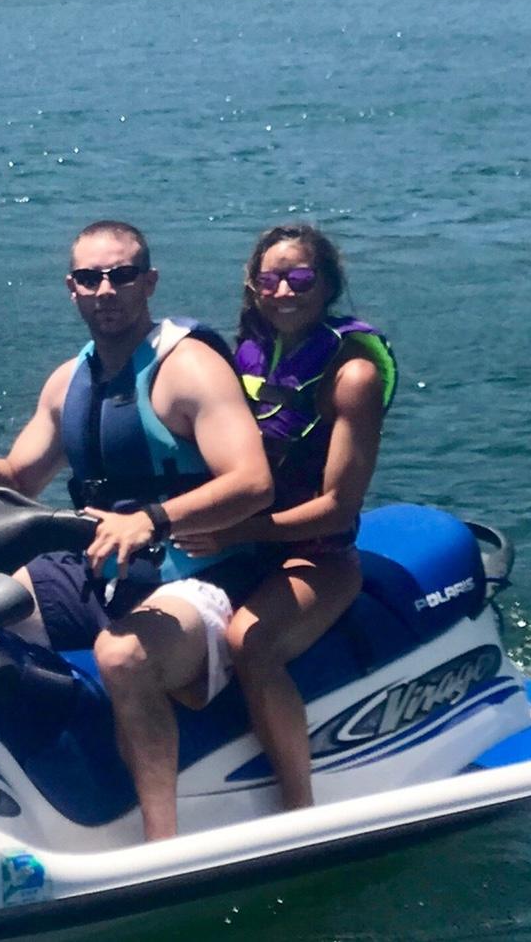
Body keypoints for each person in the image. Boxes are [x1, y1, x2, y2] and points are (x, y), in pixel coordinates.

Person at [0, 220, 272, 842]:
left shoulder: (189, 368)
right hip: (104, 567)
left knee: (122, 656)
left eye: (121, 275)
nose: (106, 290)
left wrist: (152, 519)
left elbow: (253, 481)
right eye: (90, 278)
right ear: (71, 288)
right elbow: (20, 476)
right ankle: (29, 791)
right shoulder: (69, 382)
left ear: (148, 282)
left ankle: (162, 845)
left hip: (201, 570)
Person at [179, 223, 395, 812]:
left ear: (327, 286)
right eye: (269, 279)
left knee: (251, 643)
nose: (283, 292)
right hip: (240, 545)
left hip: (316, 555)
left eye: (300, 278)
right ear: (253, 286)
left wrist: (236, 530)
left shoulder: (353, 375)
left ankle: (298, 805)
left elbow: (337, 508)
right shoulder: (242, 355)